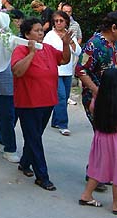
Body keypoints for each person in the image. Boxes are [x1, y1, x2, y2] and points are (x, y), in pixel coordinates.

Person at [11, 17, 71, 191]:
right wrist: (31, 53)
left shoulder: (48, 49)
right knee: (35, 139)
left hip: (47, 101)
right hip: (28, 103)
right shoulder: (21, 49)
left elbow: (64, 60)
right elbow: (17, 71)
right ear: (27, 33)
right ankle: (42, 177)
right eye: (36, 30)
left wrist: (65, 44)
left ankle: (24, 163)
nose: (40, 33)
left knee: (35, 136)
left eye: (41, 30)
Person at [76, 11, 117, 192]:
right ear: (114, 28)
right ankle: (94, 174)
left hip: (112, 99)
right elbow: (81, 70)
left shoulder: (113, 44)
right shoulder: (94, 44)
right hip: (96, 99)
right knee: (104, 137)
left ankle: (102, 173)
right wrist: (97, 92)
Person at [79, 68, 117, 212]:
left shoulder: (98, 98)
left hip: (100, 137)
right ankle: (115, 205)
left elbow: (93, 109)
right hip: (114, 139)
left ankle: (86, 195)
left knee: (98, 167)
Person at [43, 11, 81, 136]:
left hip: (67, 71)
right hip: (56, 71)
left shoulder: (69, 35)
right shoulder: (50, 36)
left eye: (61, 21)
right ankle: (63, 124)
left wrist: (70, 42)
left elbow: (78, 52)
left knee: (64, 98)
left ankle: (55, 121)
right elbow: (46, 52)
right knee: (61, 97)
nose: (59, 23)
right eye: (56, 21)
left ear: (66, 22)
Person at [0, 63, 20, 163]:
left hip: (19, 83)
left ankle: (2, 139)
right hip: (2, 83)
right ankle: (10, 149)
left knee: (14, 116)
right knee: (6, 118)